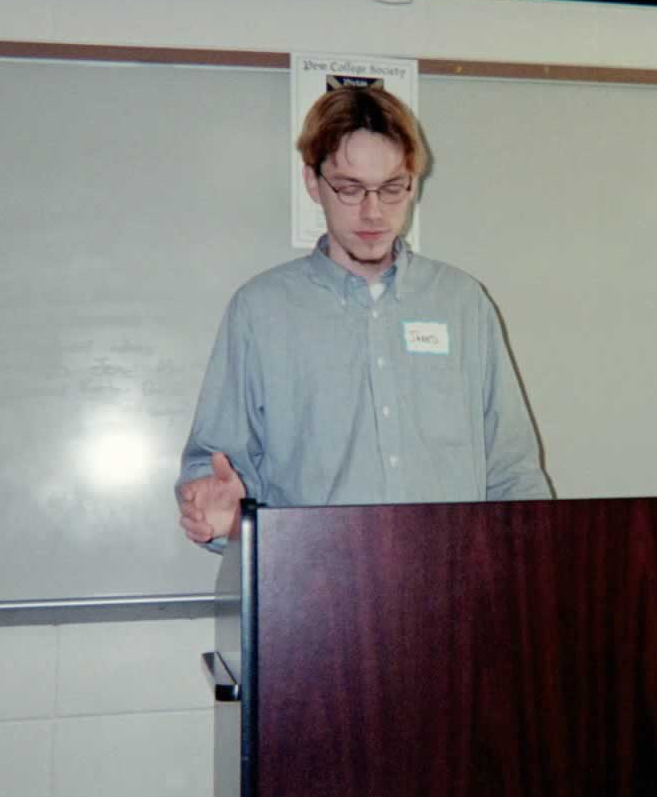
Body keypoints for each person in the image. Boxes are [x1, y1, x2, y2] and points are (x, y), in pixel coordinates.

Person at [177, 85, 552, 550]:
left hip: (456, 588)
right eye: (351, 188)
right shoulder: (260, 311)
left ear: (413, 183)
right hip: (316, 594)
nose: (373, 211)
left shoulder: (463, 303)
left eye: (392, 187)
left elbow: (513, 470)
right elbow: (212, 471)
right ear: (313, 182)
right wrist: (224, 518)